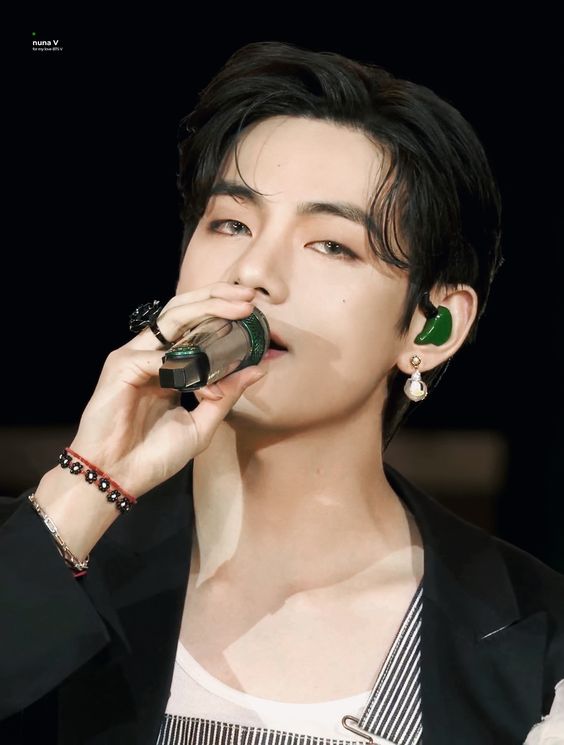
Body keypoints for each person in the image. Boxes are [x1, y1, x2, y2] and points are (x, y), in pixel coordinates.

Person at [1, 40, 563, 745]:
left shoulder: (536, 643)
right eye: (230, 223)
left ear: (433, 325)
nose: (253, 270)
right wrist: (86, 486)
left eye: (331, 244)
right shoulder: (51, 561)